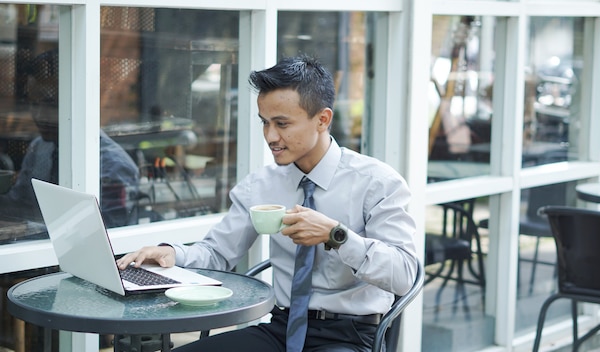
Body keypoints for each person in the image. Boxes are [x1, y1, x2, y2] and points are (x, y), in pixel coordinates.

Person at [117, 55, 419, 352]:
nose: (270, 136)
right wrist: (171, 253)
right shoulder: (261, 185)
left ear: (322, 120)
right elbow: (217, 253)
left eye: (282, 124)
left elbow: (404, 274)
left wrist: (336, 236)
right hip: (280, 328)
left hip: (349, 335)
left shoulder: (377, 182)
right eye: (265, 123)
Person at [0, 50, 140, 228]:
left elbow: (104, 235)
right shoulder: (39, 148)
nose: (39, 114)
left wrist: (27, 228)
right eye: (33, 104)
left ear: (76, 100)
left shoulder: (114, 166)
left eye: (50, 104)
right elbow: (19, 203)